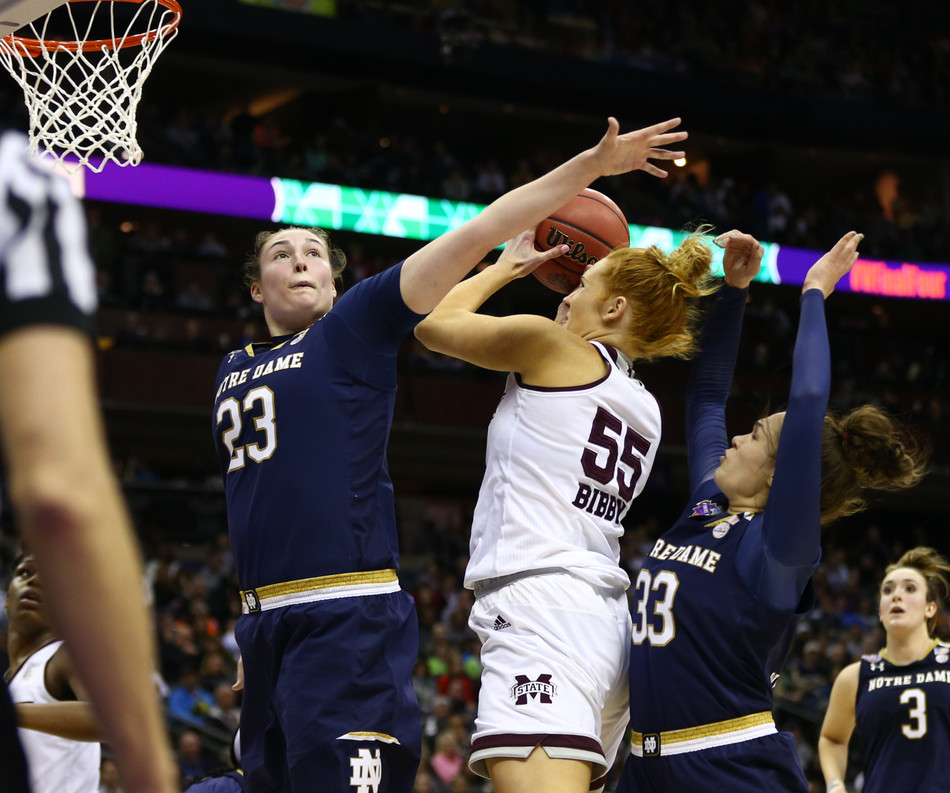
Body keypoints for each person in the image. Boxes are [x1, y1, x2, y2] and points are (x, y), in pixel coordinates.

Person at [212, 116, 689, 793]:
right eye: (281, 253)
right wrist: (261, 625)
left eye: (313, 251)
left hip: (519, 601)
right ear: (255, 287)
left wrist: (519, 250)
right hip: (592, 601)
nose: (567, 290)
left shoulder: (362, 330)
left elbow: (448, 295)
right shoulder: (645, 404)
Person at [617, 231, 930, 792]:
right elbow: (706, 397)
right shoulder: (707, 504)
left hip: (729, 765)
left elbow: (807, 402)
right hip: (645, 764)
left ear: (781, 476)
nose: (736, 438)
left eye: (756, 435)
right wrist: (735, 291)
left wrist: (814, 290)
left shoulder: (778, 549)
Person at [413, 224, 720, 793]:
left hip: (543, 607)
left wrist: (505, 268)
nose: (568, 295)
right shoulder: (647, 407)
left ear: (615, 308)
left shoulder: (553, 347)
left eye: (582, 284)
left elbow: (431, 323)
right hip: (606, 622)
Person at [0, 128, 177, 793]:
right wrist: (151, 769)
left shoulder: (57, 656)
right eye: (24, 569)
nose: (34, 579)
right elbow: (59, 496)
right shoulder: (18, 184)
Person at [818, 546, 950, 792]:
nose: (896, 595)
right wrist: (835, 783)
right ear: (880, 612)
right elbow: (832, 739)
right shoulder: (854, 676)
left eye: (910, 588)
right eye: (888, 590)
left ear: (930, 608)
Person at [5, 552, 101, 792]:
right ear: (7, 599)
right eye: (24, 572)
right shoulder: (9, 682)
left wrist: (10, 712)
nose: (35, 579)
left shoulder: (69, 655)